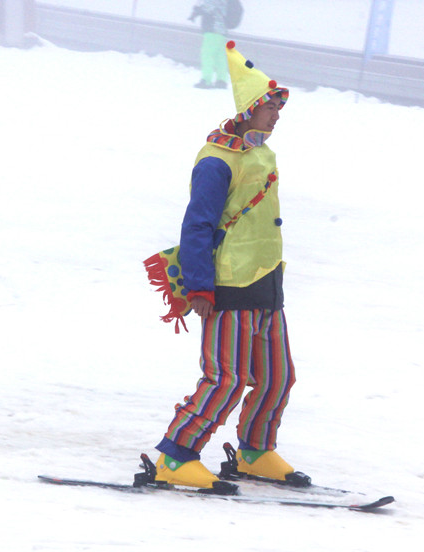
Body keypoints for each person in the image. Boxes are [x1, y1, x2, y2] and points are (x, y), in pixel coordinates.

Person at [151, 42, 300, 491]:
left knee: (277, 377)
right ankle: (176, 456)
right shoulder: (217, 161)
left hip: (267, 284)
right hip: (229, 286)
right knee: (226, 380)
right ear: (249, 110)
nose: (276, 116)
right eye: (270, 109)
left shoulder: (260, 153)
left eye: (278, 109)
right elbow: (198, 225)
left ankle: (255, 451)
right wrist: (199, 286)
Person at [188, 0, 229, 88]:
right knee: (220, 57)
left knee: (207, 55)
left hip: (212, 30)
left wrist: (196, 11)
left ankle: (206, 80)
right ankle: (221, 81)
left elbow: (207, 7)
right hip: (222, 32)